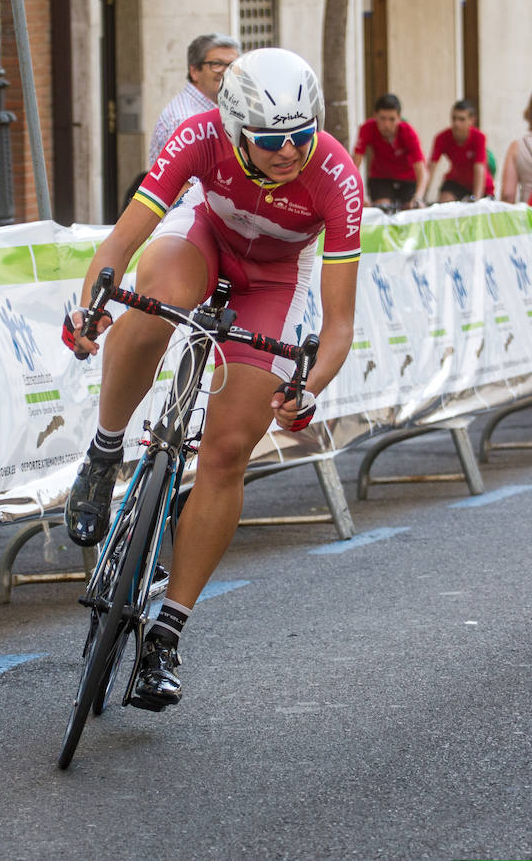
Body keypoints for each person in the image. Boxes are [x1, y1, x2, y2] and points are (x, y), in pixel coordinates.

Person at [62, 48, 363, 711]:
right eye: (270, 142)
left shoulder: (337, 177)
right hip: (202, 239)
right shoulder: (200, 137)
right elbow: (115, 249)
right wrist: (89, 307)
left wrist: (309, 387)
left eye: (300, 138)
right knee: (151, 299)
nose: (288, 153)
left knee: (228, 449)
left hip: (274, 281)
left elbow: (338, 326)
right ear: (235, 132)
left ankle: (167, 635)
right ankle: (104, 452)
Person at [147, 33, 241, 167]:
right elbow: (187, 186)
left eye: (232, 65)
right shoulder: (185, 121)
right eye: (217, 64)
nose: (226, 72)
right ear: (195, 71)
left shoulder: (219, 109)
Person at [352, 93, 428, 209]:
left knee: (410, 210)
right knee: (383, 208)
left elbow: (422, 171)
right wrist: (359, 195)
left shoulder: (408, 132)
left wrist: (418, 198)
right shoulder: (367, 128)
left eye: (392, 119)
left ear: (399, 118)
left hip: (408, 179)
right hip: (381, 178)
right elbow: (354, 166)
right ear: (375, 116)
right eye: (382, 118)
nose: (386, 125)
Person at [425, 99, 494, 202]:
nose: (456, 123)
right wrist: (421, 197)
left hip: (481, 186)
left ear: (472, 120)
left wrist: (476, 199)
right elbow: (431, 168)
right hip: (456, 183)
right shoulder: (442, 138)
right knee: (445, 201)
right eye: (454, 118)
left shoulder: (479, 137)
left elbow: (479, 169)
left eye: (461, 119)